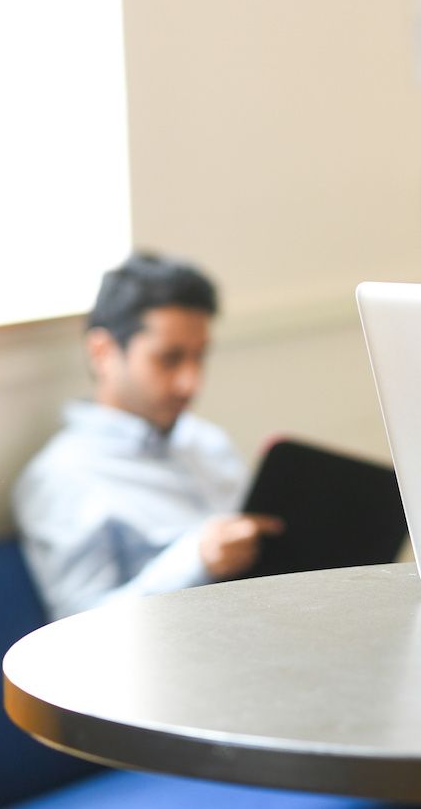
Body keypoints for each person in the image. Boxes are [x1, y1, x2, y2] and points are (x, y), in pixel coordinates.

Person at [14, 253, 281, 620]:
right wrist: (195, 560)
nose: (191, 383)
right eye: (169, 359)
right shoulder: (63, 477)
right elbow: (76, 627)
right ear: (103, 352)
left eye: (199, 357)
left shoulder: (207, 441)